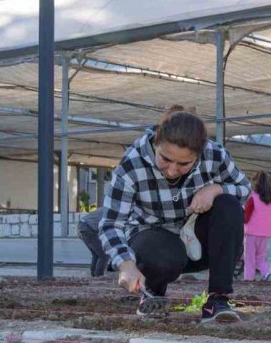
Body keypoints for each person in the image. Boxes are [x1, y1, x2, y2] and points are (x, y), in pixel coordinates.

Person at [99, 105, 250, 322]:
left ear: (198, 155)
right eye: (165, 159)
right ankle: (152, 292)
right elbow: (111, 224)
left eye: (183, 164)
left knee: (228, 205)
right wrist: (126, 264)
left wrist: (216, 189)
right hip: (154, 240)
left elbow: (244, 188)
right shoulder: (131, 165)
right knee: (162, 257)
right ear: (156, 142)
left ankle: (217, 300)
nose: (172, 170)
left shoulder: (215, 155)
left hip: (196, 239)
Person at [244, 171, 271, 281]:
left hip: (252, 233)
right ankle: (266, 273)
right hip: (266, 233)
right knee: (261, 257)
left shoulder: (252, 198)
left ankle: (249, 279)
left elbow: (246, 217)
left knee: (249, 258)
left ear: (256, 184)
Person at [78, 207, 111, 277]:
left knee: (96, 254)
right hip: (88, 228)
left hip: (83, 226)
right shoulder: (111, 213)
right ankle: (98, 276)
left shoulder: (106, 208)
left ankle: (94, 276)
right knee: (104, 255)